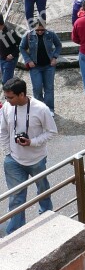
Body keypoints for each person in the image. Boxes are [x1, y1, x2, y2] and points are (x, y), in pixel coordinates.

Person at [0, 76, 57, 234]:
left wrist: (32, 142)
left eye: (10, 97)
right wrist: (8, 152)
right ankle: (16, 231)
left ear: (22, 94)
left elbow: (52, 132)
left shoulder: (41, 109)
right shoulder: (7, 107)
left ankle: (47, 219)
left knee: (43, 190)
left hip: (36, 159)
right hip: (14, 160)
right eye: (6, 97)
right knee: (16, 197)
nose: (7, 100)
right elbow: (3, 130)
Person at [20, 21, 61, 115]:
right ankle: (40, 108)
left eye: (42, 29)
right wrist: (28, 60)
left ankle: (50, 109)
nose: (40, 32)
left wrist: (55, 57)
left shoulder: (51, 34)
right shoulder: (29, 35)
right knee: (37, 88)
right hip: (35, 67)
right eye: (37, 30)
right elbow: (22, 48)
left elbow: (58, 45)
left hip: (49, 66)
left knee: (49, 88)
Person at [0, 14, 21, 84]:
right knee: (5, 79)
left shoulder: (9, 33)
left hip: (10, 60)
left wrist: (12, 55)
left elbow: (21, 45)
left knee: (5, 82)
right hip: (2, 58)